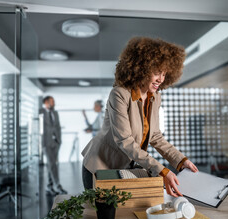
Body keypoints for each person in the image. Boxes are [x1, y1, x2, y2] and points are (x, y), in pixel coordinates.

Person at [81, 37, 198, 197]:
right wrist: (162, 170)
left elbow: (155, 136)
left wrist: (181, 161)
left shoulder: (155, 97)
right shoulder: (119, 94)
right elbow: (125, 140)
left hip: (124, 167)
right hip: (99, 166)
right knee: (103, 216)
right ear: (141, 68)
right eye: (157, 72)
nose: (161, 79)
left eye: (164, 74)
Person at [41, 96, 67, 195]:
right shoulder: (41, 112)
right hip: (46, 143)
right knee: (52, 164)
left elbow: (58, 127)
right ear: (46, 102)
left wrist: (59, 140)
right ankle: (58, 186)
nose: (54, 103)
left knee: (52, 165)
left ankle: (49, 186)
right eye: (52, 101)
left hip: (55, 142)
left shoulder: (55, 113)